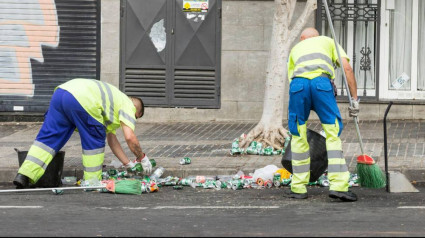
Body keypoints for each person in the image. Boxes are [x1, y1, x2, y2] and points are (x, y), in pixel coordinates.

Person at [13, 78, 152, 189]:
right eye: (135, 117)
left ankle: (24, 175)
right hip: (83, 99)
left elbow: (112, 141)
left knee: (47, 140)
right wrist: (142, 158)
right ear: (135, 110)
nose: (132, 120)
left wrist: (128, 164)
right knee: (95, 139)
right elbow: (129, 137)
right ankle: (92, 181)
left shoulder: (113, 103)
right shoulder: (127, 104)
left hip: (62, 92)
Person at [285, 28, 359, 202]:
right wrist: (355, 99)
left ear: (303, 39)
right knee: (332, 133)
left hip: (298, 86)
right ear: (316, 36)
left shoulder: (295, 49)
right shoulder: (327, 41)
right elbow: (347, 68)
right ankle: (339, 187)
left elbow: (292, 79)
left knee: (297, 135)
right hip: (321, 84)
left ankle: (298, 188)